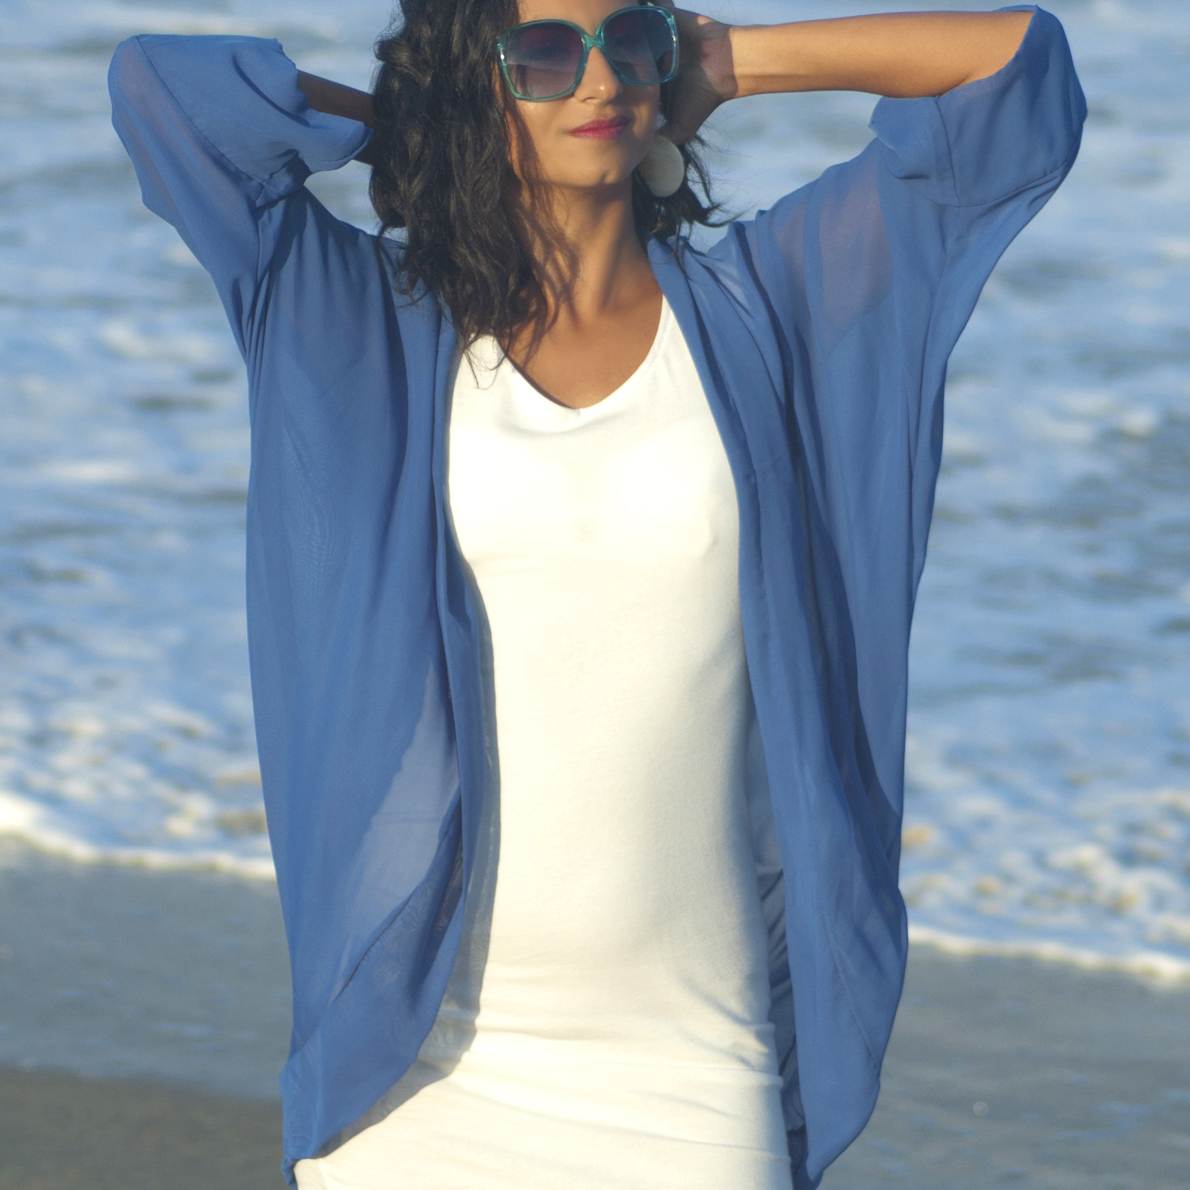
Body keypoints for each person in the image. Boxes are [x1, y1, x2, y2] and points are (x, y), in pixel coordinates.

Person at [108, 2, 1084, 1186]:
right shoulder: (358, 321)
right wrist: (425, 127)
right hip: (417, 1082)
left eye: (626, 40)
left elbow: (1011, 77)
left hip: (691, 1077)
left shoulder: (768, 310)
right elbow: (169, 94)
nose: (597, 79)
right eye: (540, 53)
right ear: (476, 78)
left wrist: (721, 63)